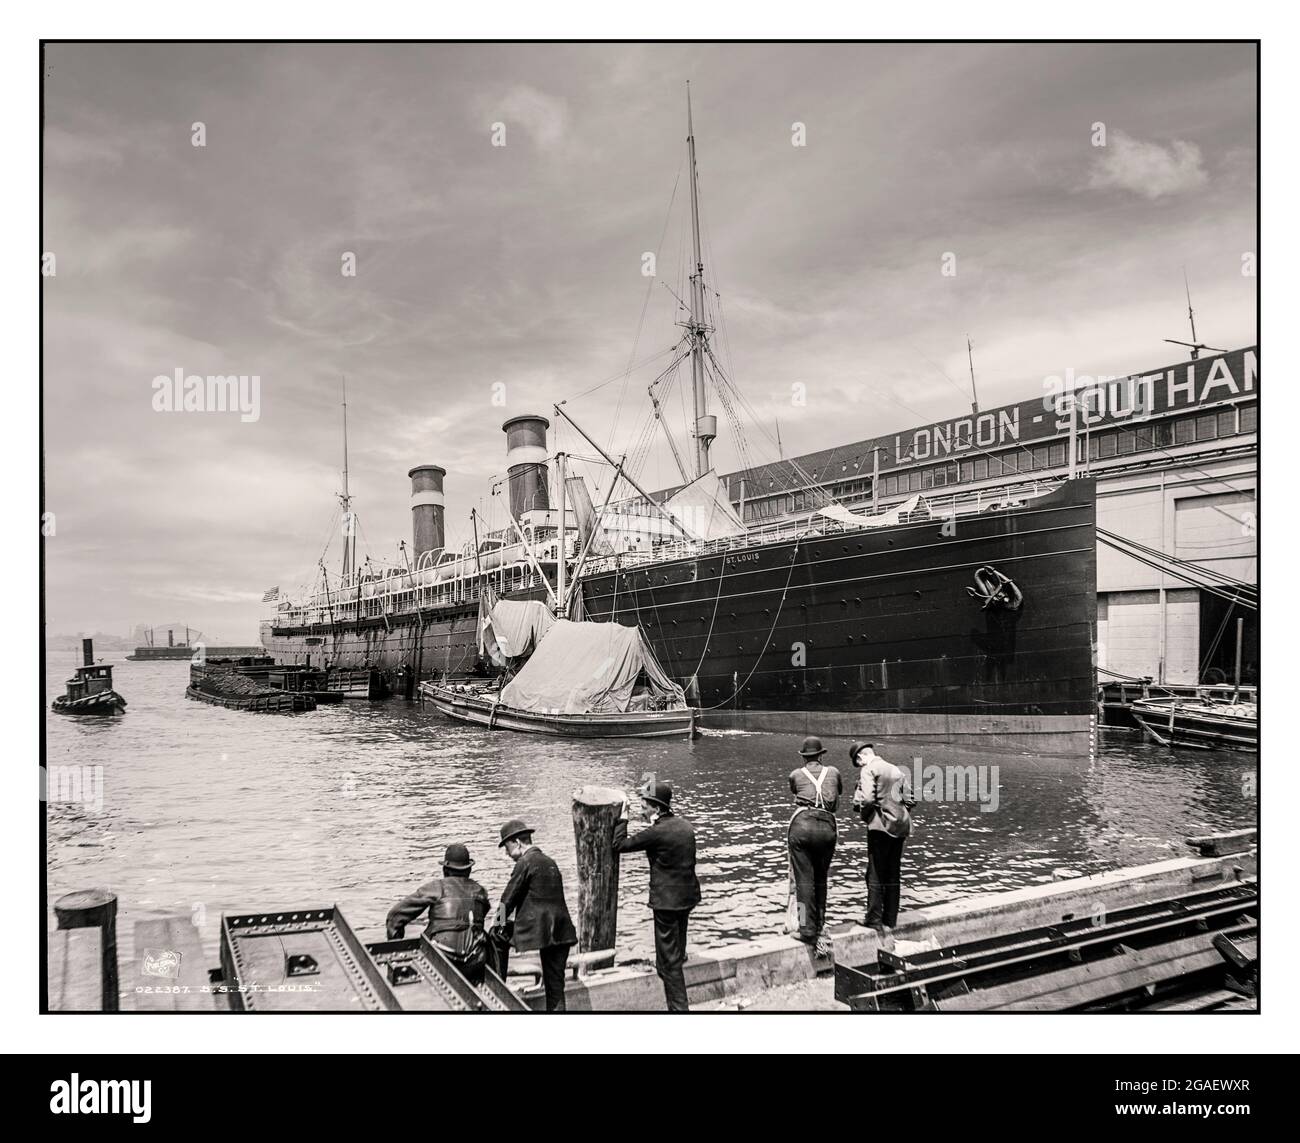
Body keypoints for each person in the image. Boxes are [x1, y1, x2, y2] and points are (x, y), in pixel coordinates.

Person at [614, 779, 701, 1012]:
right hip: (687, 897)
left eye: (644, 807)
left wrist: (623, 817)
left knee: (669, 963)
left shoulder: (656, 832)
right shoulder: (685, 826)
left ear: (657, 808)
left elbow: (619, 845)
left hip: (666, 903)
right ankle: (671, 973)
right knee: (675, 953)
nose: (641, 811)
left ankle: (680, 1009)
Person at [494, 819, 578, 1012]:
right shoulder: (549, 861)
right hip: (562, 932)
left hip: (541, 931)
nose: (506, 853)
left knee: (496, 936)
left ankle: (497, 990)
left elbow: (507, 899)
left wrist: (497, 923)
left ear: (517, 842)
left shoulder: (525, 862)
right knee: (555, 987)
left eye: (506, 847)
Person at [385, 843, 491, 983]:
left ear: (445, 870)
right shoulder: (480, 891)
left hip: (443, 956)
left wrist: (396, 949)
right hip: (474, 960)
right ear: (469, 870)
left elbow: (395, 916)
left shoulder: (437, 887)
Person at [850, 742, 917, 951]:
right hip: (901, 827)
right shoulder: (896, 769)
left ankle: (873, 919)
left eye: (859, 762)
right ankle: (890, 918)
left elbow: (868, 799)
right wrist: (897, 813)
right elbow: (911, 800)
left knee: (875, 872)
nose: (860, 765)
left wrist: (867, 817)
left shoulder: (869, 769)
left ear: (861, 757)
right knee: (893, 871)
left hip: (880, 827)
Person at [786, 736, 842, 956]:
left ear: (804, 758)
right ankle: (819, 925)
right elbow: (836, 797)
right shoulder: (834, 772)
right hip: (827, 828)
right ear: (821, 756)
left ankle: (806, 929)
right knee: (821, 879)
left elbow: (796, 792)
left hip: (801, 827)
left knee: (803, 882)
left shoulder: (796, 774)